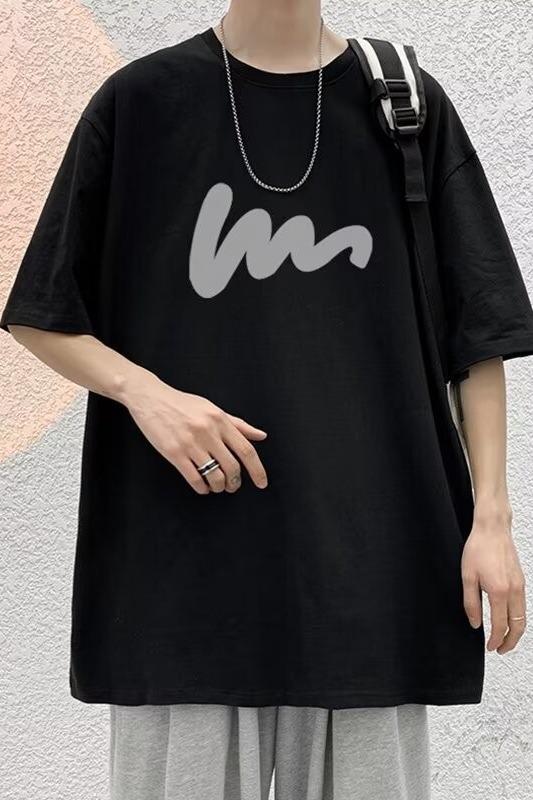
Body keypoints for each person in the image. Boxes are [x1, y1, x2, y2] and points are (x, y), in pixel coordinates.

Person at [1, 1, 532, 798]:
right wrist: (146, 395)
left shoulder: (403, 105)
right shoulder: (141, 102)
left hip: (368, 574)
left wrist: (491, 520)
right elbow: (41, 311)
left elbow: (476, 333)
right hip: (181, 577)